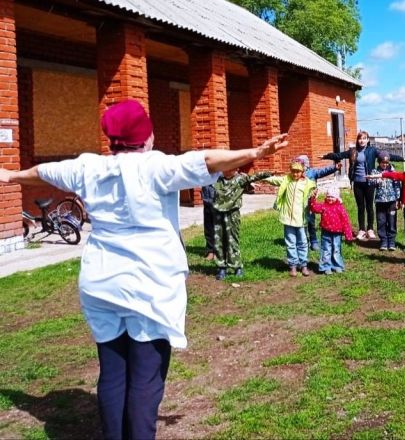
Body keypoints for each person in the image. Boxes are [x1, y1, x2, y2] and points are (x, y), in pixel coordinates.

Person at [0, 99, 288, 440]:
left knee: (112, 373)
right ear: (147, 136)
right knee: (145, 379)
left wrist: (10, 175)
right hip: (149, 286)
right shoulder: (156, 166)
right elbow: (208, 159)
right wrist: (255, 151)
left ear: (111, 139)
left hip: (100, 282)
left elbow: (43, 172)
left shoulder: (88, 167)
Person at [322, 131, 403, 241]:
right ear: (358, 140)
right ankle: (361, 229)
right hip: (357, 183)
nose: (362, 140)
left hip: (369, 182)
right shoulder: (353, 151)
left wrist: (403, 158)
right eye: (360, 138)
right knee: (360, 207)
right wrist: (326, 156)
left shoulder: (373, 151)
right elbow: (339, 155)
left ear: (368, 140)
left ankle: (370, 229)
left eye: (364, 138)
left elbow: (387, 156)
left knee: (369, 206)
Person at [210, 169, 272, 280]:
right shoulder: (217, 180)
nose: (227, 171)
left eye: (230, 168)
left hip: (232, 214)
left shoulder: (240, 179)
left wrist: (269, 173)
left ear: (235, 169)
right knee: (219, 240)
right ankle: (221, 267)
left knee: (232, 239)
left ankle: (237, 266)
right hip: (218, 214)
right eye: (225, 168)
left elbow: (255, 176)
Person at [262, 159, 317, 277]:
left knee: (302, 242)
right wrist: (261, 178)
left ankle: (303, 265)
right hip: (288, 218)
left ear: (302, 171)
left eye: (298, 171)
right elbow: (273, 180)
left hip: (301, 219)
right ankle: (292, 265)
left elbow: (313, 192)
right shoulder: (286, 180)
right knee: (290, 242)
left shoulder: (308, 183)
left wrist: (314, 193)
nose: (295, 174)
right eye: (293, 171)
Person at [294, 154, 342, 251]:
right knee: (301, 223)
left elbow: (323, 171)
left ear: (306, 164)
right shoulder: (296, 174)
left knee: (311, 222)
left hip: (310, 203)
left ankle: (314, 241)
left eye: (301, 163)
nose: (299, 166)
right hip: (299, 203)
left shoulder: (312, 172)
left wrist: (334, 168)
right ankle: (303, 242)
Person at [309, 183, 354, 274]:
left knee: (336, 249)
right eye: (328, 196)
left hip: (337, 233)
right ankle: (326, 266)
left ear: (337, 198)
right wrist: (312, 199)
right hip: (326, 232)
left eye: (332, 197)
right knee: (326, 250)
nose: (330, 198)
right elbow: (314, 208)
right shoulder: (324, 206)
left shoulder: (340, 208)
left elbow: (345, 222)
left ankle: (337, 265)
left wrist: (348, 235)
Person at [368, 151, 402, 251]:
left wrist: (398, 199)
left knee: (392, 221)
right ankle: (383, 240)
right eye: (383, 162)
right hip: (380, 201)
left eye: (387, 163)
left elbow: (397, 186)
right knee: (381, 221)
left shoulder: (393, 172)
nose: (385, 164)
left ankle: (391, 241)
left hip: (391, 201)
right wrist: (377, 181)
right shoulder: (375, 172)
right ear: (379, 162)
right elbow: (370, 183)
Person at [201, 183, 217, 260]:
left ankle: (218, 251)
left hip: (218, 200)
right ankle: (210, 251)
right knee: (208, 227)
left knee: (218, 228)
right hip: (207, 199)